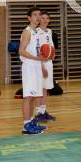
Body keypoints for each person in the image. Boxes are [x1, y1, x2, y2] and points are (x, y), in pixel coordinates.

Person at [18, 7, 46, 135]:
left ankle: (30, 122)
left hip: (36, 67)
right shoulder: (27, 32)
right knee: (28, 97)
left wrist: (41, 66)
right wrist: (36, 59)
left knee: (33, 97)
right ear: (29, 18)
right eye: (34, 15)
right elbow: (21, 51)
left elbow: (37, 52)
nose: (38, 17)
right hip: (29, 67)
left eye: (39, 15)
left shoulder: (37, 32)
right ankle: (26, 126)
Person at [35, 11, 57, 122]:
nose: (44, 20)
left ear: (49, 20)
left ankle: (43, 112)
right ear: (39, 20)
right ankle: (38, 113)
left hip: (49, 63)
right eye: (42, 18)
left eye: (46, 18)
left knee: (45, 89)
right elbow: (37, 51)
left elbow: (51, 47)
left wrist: (53, 53)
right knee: (39, 89)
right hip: (41, 64)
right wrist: (42, 66)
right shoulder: (36, 32)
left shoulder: (49, 31)